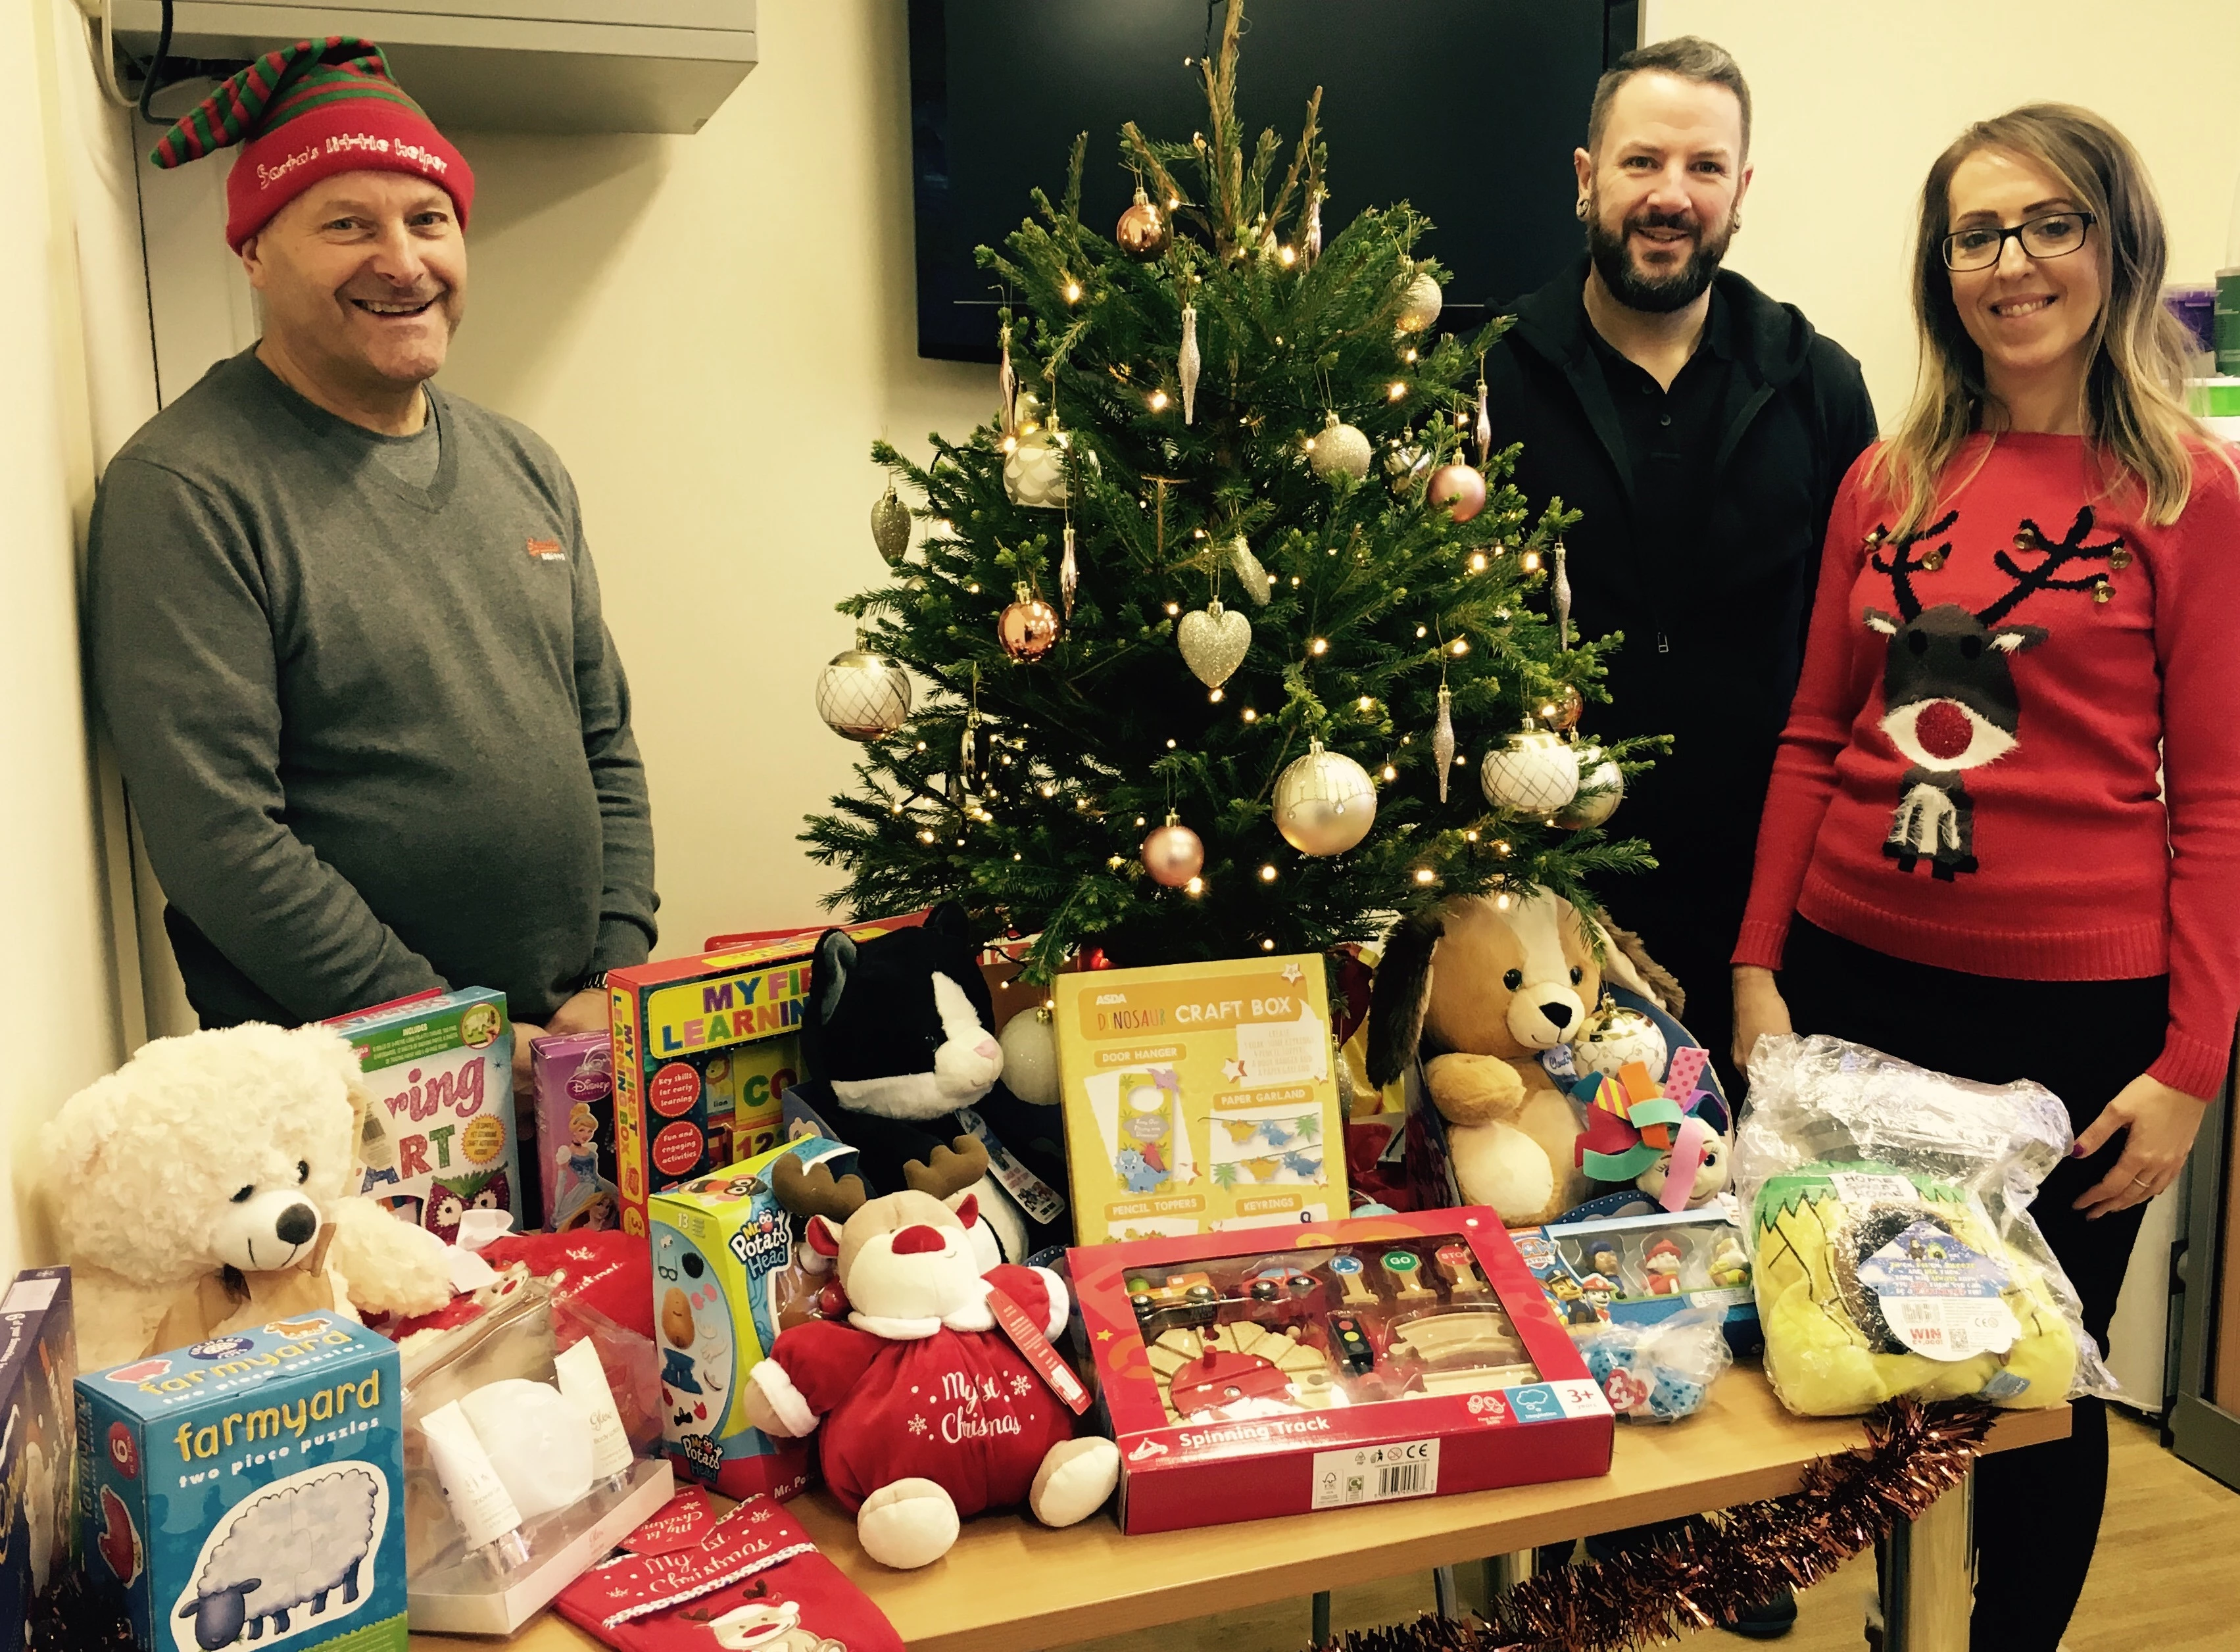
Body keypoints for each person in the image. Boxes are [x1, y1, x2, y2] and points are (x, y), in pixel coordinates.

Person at [1730, 104, 2240, 1651]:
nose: (2009, 263)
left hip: (2076, 1026)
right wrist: (1756, 966)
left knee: (2033, 1375)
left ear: (2110, 242)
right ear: (1937, 265)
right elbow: (1814, 730)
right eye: (1974, 233)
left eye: (2047, 225)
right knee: (1853, 1346)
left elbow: (2218, 796)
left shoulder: (2188, 498)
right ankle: (1893, 1616)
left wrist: (2191, 1064)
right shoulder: (1885, 478)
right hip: (1853, 979)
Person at [89, 38, 656, 1082]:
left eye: (427, 220)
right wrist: (457, 1036)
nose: (401, 262)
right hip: (348, 1089)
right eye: (346, 224)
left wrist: (612, 977)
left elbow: (604, 742)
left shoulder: (521, 462)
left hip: (572, 1047)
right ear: (254, 250)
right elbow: (220, 838)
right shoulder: (186, 489)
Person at [1482, 36, 1876, 1096]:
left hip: (1768, 910)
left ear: (1739, 192)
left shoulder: (1820, 384)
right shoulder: (1480, 378)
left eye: (1703, 168)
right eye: (1641, 162)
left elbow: (1861, 653)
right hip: (1534, 905)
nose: (1671, 195)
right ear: (1584, 179)